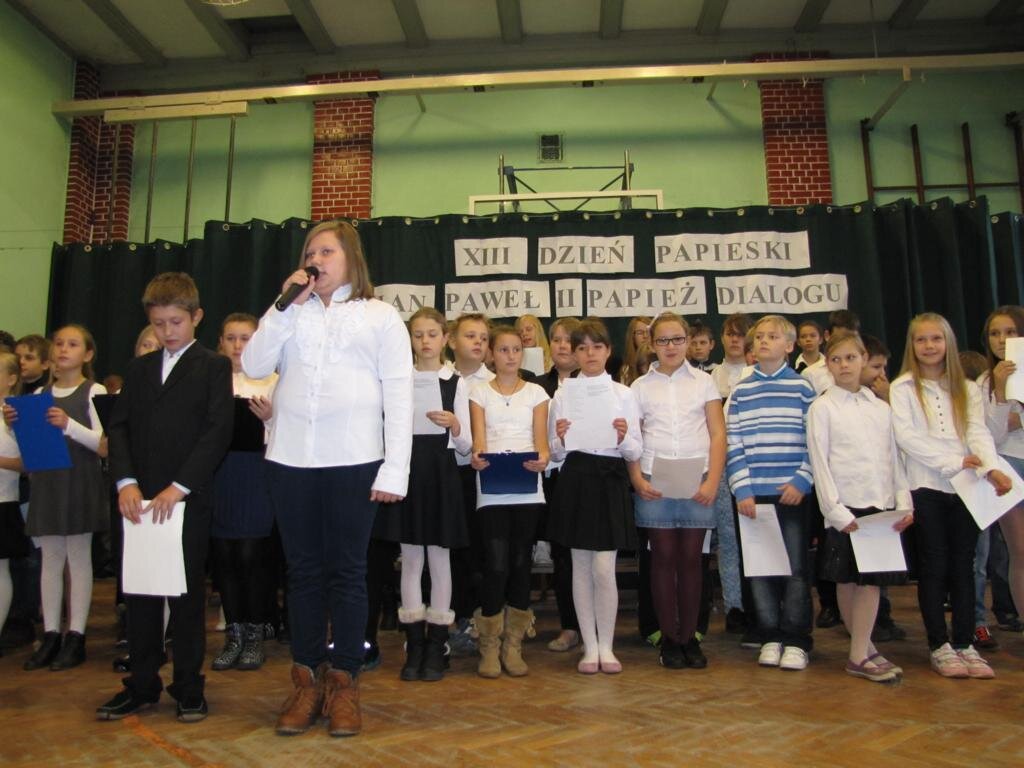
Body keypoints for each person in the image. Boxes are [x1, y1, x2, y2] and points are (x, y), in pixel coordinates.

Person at [242, 221, 412, 737]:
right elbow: (253, 364)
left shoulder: (380, 316)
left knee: (348, 572)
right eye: (310, 252)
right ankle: (306, 681)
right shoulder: (289, 313)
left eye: (326, 251)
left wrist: (395, 468)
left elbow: (399, 394)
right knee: (303, 573)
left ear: (350, 258)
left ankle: (344, 683)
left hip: (355, 460)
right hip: (290, 459)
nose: (315, 259)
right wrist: (282, 307)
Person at [97, 273, 234, 722]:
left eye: (176, 322)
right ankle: (141, 683)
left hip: (185, 501)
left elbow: (217, 432)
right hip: (138, 501)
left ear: (196, 317)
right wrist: (126, 482)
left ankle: (189, 686)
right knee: (139, 594)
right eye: (159, 324)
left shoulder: (213, 367)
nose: (167, 331)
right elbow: (119, 429)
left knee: (186, 596)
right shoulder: (139, 370)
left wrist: (179, 487)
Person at [891, 312, 1011, 679]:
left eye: (936, 339)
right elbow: (907, 438)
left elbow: (977, 430)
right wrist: (953, 461)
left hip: (967, 485)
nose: (929, 346)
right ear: (912, 345)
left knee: (965, 564)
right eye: (921, 339)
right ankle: (939, 645)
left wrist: (990, 467)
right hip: (926, 484)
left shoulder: (967, 388)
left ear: (948, 342)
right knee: (934, 565)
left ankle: (964, 642)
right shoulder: (903, 387)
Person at [807, 330, 914, 683]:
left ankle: (862, 648)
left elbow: (894, 459)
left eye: (851, 358)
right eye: (836, 360)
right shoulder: (823, 408)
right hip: (845, 509)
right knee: (848, 581)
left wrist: (903, 502)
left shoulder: (880, 408)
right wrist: (835, 511)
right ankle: (858, 653)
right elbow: (820, 464)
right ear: (827, 364)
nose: (844, 365)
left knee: (870, 583)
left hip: (879, 507)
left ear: (864, 359)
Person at [373, 307, 470, 682]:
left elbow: (467, 445)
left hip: (441, 475)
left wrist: (455, 425)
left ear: (445, 338)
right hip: (409, 474)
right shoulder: (398, 380)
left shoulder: (456, 382)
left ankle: (437, 645)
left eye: (432, 334)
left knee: (440, 559)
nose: (425, 341)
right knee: (411, 559)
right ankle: (414, 644)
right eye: (418, 335)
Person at [4, 325, 108, 672]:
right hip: (48, 484)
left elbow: (104, 445)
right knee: (50, 558)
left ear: (87, 354)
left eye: (73, 344)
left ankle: (76, 635)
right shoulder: (38, 395)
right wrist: (15, 425)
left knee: (77, 557)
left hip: (79, 481)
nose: (63, 349)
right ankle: (51, 633)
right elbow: (30, 453)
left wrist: (68, 425)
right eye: (59, 343)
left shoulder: (94, 391)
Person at [630, 313, 725, 670]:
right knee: (662, 558)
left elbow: (718, 433)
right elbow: (632, 438)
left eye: (677, 339)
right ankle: (669, 639)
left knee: (691, 560)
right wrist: (637, 479)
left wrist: (712, 481)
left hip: (697, 479)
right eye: (663, 340)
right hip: (654, 480)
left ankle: (690, 639)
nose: (671, 346)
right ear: (652, 344)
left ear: (687, 340)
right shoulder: (640, 387)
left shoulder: (704, 382)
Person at [549, 318, 640, 675]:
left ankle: (607, 646)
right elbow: (555, 454)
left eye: (597, 347)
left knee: (604, 568)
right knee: (581, 566)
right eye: (582, 348)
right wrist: (559, 437)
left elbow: (635, 450)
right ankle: (589, 647)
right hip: (576, 478)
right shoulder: (563, 394)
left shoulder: (623, 394)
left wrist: (623, 436)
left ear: (608, 351)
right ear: (574, 353)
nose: (590, 354)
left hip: (610, 479)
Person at [727, 314, 816, 671]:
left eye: (773, 336)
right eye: (759, 336)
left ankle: (796, 639)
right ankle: (769, 635)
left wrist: (802, 481)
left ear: (789, 345)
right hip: (753, 496)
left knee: (795, 569)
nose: (764, 341)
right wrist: (742, 489)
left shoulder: (802, 388)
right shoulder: (741, 392)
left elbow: (815, 441)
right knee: (760, 568)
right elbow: (734, 443)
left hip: (791, 493)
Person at [469, 326, 549, 679]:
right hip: (491, 487)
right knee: (496, 563)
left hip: (528, 487)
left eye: (516, 349)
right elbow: (479, 441)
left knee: (520, 562)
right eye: (503, 349)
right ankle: (489, 643)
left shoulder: (536, 392)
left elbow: (542, 444)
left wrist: (542, 459)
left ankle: (513, 643)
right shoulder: (478, 392)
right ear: (492, 354)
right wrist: (477, 458)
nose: (511, 355)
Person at [209, 313, 278, 673]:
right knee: (224, 556)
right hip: (218, 474)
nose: (238, 346)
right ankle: (234, 634)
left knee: (251, 555)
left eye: (246, 338)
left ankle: (254, 633)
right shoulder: (210, 380)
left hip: (256, 474)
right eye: (231, 338)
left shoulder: (274, 380)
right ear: (220, 342)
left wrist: (269, 419)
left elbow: (291, 431)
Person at [445, 313, 494, 655]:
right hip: (443, 473)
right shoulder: (438, 377)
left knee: (480, 550)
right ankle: (450, 619)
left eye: (484, 337)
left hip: (479, 474)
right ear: (451, 341)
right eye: (470, 335)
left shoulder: (494, 382)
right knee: (448, 550)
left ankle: (480, 619)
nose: (478, 342)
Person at [978, 306, 1024, 648]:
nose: (1002, 340)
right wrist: (1002, 393)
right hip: (1007, 466)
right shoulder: (985, 381)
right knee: (1019, 551)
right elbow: (989, 435)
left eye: (1009, 332)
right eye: (995, 333)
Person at [535, 317, 582, 654]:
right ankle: (569, 626)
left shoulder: (595, 383)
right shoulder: (537, 386)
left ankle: (593, 626)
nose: (563, 346)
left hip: (586, 478)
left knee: (589, 556)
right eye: (557, 339)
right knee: (562, 556)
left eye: (570, 340)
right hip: (550, 480)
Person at [0, 353, 28, 658]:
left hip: (3, 501)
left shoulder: (17, 415)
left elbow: (27, 462)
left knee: (0, 569)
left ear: (11, 379)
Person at [619, 316, 652, 385]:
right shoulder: (627, 370)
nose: (645, 336)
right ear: (633, 337)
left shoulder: (662, 363)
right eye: (640, 332)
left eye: (648, 332)